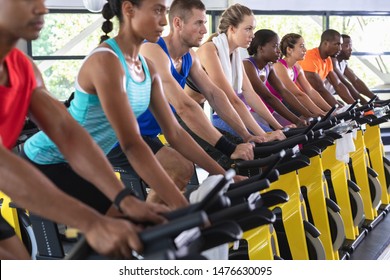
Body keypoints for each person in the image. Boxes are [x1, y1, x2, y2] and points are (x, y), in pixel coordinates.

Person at [0, 0, 168, 259]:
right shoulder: (106, 60)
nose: (43, 8)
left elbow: (68, 135)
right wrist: (92, 222)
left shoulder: (24, 69)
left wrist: (124, 199)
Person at [109, 0, 257, 176]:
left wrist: (247, 136)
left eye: (204, 23)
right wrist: (230, 148)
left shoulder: (190, 57)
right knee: (180, 168)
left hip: (147, 134)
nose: (204, 30)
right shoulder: (152, 50)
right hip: (116, 135)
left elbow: (214, 94)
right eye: (198, 23)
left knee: (181, 173)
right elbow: (184, 107)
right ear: (178, 23)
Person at [186, 4, 288, 138]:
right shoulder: (210, 51)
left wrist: (278, 127)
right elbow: (231, 99)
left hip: (198, 111)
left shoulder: (234, 56)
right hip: (181, 113)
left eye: (253, 29)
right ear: (232, 29)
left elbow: (250, 94)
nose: (252, 35)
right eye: (248, 29)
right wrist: (263, 136)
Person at [243, 29, 322, 127]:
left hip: (269, 112)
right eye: (275, 46)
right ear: (261, 48)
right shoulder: (248, 65)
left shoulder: (269, 67)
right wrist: (297, 120)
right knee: (286, 134)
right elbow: (268, 97)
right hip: (250, 113)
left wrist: (309, 115)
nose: (279, 51)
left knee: (297, 130)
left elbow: (283, 92)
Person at [272, 33, 333, 116]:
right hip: (272, 108)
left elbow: (310, 91)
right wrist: (321, 112)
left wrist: (331, 110)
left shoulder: (297, 67)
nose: (305, 50)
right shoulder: (279, 66)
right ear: (289, 50)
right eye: (301, 46)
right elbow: (298, 95)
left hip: (281, 106)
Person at [298, 29, 360, 107]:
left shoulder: (327, 60)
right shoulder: (310, 58)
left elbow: (338, 85)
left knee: (342, 106)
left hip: (309, 99)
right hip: (296, 101)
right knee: (338, 109)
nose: (340, 48)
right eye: (337, 44)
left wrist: (355, 105)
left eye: (340, 45)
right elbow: (320, 89)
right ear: (325, 43)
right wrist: (339, 108)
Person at [325, 34, 377, 103]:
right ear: (339, 46)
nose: (351, 49)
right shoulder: (331, 61)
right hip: (319, 98)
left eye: (351, 46)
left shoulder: (343, 63)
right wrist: (365, 104)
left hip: (325, 98)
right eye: (347, 46)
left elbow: (356, 81)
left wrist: (375, 99)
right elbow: (344, 84)